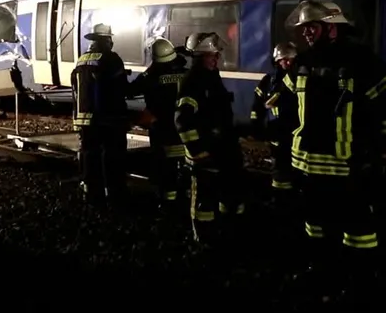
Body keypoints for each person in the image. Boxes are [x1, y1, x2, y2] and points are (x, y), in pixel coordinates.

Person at [280, 0, 385, 301]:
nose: (306, 33)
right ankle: (323, 273)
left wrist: (378, 151)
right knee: (315, 225)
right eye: (303, 29)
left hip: (350, 165)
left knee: (358, 230)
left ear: (332, 28)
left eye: (311, 27)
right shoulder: (302, 62)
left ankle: (361, 282)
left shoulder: (362, 61)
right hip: (308, 167)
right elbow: (287, 106)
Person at [174, 32, 244, 244]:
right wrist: (198, 152)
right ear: (200, 56)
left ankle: (225, 232)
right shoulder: (193, 82)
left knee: (226, 194)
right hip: (205, 154)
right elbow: (182, 120)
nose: (217, 58)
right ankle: (203, 239)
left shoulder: (211, 76)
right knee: (204, 200)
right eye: (212, 55)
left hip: (221, 150)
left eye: (217, 54)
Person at [126, 38, 188, 210]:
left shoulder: (151, 76)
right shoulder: (187, 73)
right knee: (186, 167)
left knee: (165, 168)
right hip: (184, 130)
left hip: (162, 130)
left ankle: (168, 203)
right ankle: (186, 197)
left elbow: (131, 91)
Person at [71, 23, 129, 203]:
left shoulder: (82, 59)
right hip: (107, 119)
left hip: (84, 119)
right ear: (107, 40)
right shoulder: (111, 59)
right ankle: (113, 194)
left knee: (89, 154)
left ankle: (90, 192)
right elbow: (121, 88)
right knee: (112, 156)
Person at [249, 43, 299, 195]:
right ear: (277, 61)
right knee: (280, 171)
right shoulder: (268, 81)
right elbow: (257, 104)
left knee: (293, 172)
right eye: (285, 60)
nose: (288, 63)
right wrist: (256, 125)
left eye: (291, 60)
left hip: (293, 135)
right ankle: (280, 197)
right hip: (276, 135)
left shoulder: (297, 80)